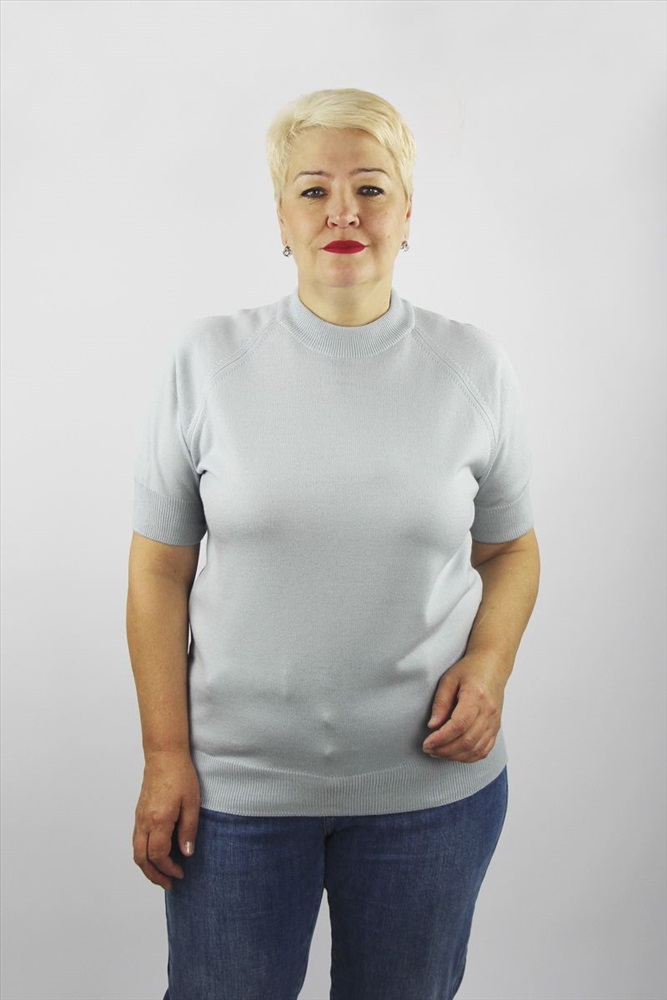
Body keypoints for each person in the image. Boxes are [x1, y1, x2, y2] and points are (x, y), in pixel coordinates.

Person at [127, 87, 540, 1000]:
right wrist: (164, 756)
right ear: (281, 217)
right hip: (233, 796)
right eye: (313, 190)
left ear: (407, 212)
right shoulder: (207, 362)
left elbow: (510, 549)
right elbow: (158, 569)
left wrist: (490, 665)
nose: (343, 211)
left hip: (429, 796)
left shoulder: (472, 366)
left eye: (371, 188)